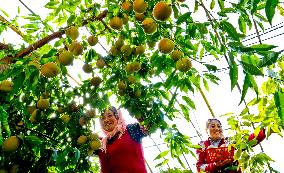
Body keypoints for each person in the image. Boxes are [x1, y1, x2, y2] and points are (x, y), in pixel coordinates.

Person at [196, 118, 266, 173]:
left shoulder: (229, 141)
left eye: (219, 126)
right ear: (206, 130)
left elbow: (247, 141)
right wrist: (214, 165)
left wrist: (265, 131)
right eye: (213, 126)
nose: (217, 128)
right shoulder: (202, 146)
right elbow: (200, 167)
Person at [97, 106, 148, 173]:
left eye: (110, 115)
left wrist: (142, 118)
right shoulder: (103, 145)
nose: (106, 120)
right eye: (102, 118)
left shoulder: (130, 130)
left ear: (117, 116)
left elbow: (148, 126)